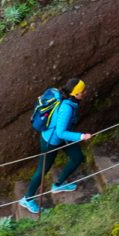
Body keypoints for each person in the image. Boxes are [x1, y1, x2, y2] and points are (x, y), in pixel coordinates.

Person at [21, 79, 93, 214]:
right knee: (43, 170)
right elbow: (61, 132)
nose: (85, 92)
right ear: (75, 94)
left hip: (61, 138)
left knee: (77, 157)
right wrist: (81, 136)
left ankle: (58, 185)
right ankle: (27, 198)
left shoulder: (63, 96)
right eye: (82, 91)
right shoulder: (66, 108)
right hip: (51, 141)